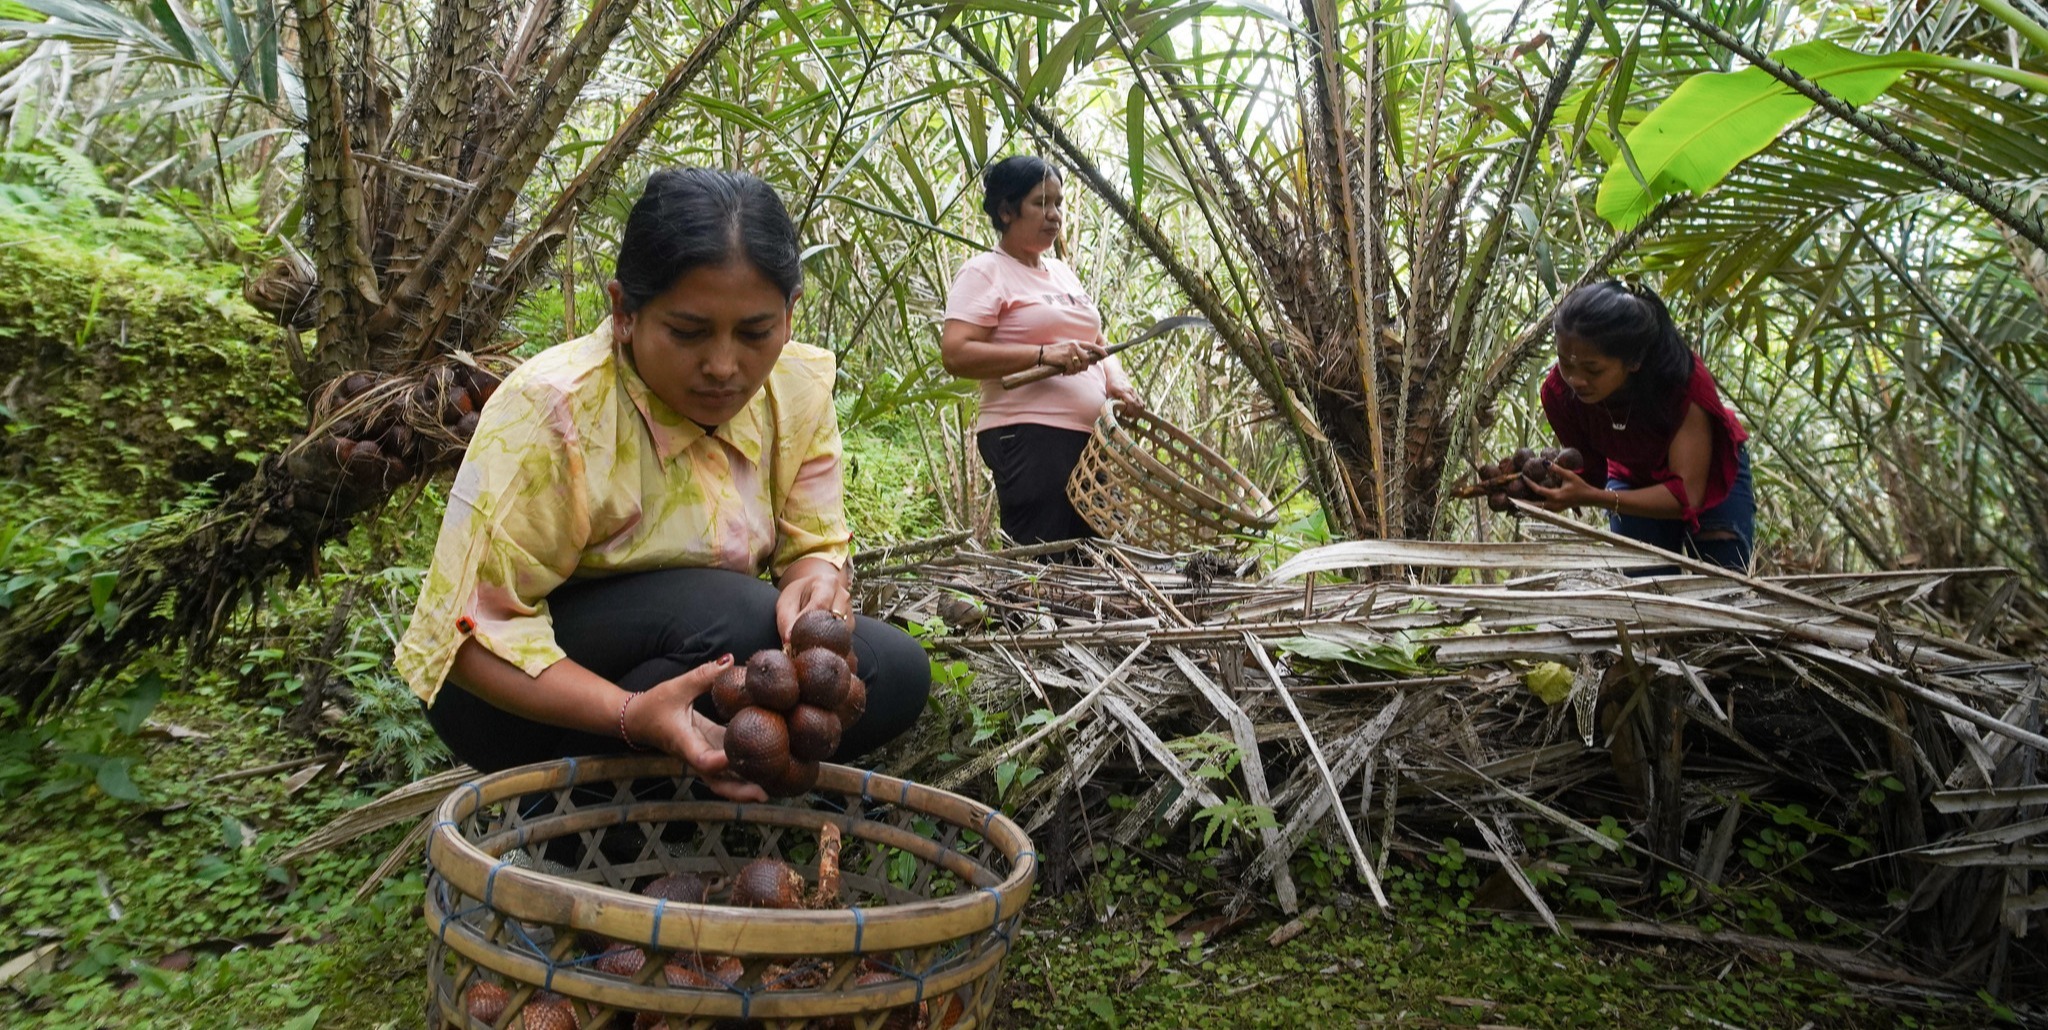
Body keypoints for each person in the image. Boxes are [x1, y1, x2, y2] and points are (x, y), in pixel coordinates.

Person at [394, 168, 929, 797]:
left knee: (892, 673)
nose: (724, 366)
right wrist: (631, 716)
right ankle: (553, 823)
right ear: (625, 312)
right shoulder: (556, 410)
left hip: (686, 654)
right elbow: (464, 638)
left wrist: (816, 588)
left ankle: (679, 810)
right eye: (688, 331)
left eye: (755, 333)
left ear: (789, 316)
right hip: (513, 703)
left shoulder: (796, 390)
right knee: (735, 617)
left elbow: (814, 546)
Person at [940, 155, 1142, 547]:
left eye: (1059, 203)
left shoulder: (1063, 273)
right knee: (1042, 562)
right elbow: (956, 353)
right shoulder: (985, 272)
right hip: (1029, 436)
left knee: (1100, 563)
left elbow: (1096, 339)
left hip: (1094, 440)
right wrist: (1042, 354)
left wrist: (1115, 378)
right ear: (1006, 210)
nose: (1054, 216)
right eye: (1040, 203)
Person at [1530, 279, 1756, 571]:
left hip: (1711, 473)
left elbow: (1687, 494)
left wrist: (1595, 497)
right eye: (1565, 362)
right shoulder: (1560, 394)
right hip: (1632, 478)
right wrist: (1538, 483)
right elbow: (1592, 473)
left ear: (1635, 360)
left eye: (1593, 369)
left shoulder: (1683, 384)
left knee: (1723, 584)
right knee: (1647, 589)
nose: (1576, 380)